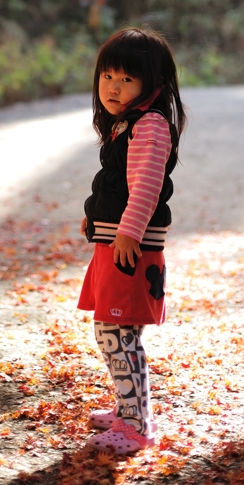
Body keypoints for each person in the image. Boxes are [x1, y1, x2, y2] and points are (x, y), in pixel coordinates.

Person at [78, 27, 185, 455]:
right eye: (107, 77)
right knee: (111, 330)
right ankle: (127, 411)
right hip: (116, 242)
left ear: (151, 84)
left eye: (126, 79)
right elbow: (113, 182)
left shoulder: (152, 125)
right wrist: (93, 214)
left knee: (117, 332)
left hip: (131, 248)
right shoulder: (126, 125)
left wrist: (127, 231)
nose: (113, 87)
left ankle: (137, 424)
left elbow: (145, 185)